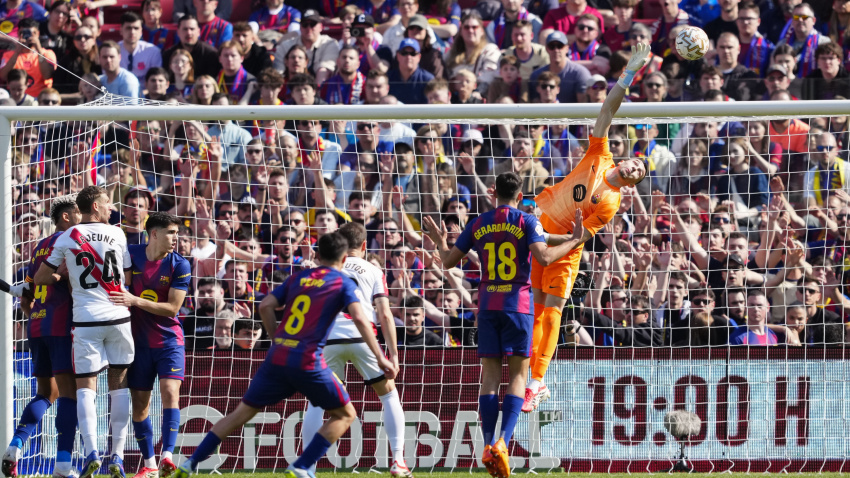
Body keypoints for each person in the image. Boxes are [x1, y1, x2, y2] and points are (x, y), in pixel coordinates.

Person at [173, 232, 396, 478]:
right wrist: (381, 356)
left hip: (277, 356)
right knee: (346, 414)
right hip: (308, 360)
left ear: (317, 255)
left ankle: (190, 462)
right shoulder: (342, 282)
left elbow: (264, 305)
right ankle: (302, 465)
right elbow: (361, 319)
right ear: (344, 259)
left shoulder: (299, 278)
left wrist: (276, 337)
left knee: (240, 414)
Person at [423, 171, 584, 478]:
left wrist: (439, 240)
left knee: (489, 379)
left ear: (493, 191)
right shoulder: (526, 220)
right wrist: (575, 240)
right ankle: (502, 443)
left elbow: (447, 262)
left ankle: (486, 443)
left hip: (487, 307)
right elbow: (545, 256)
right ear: (521, 195)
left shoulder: (479, 222)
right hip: (518, 308)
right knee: (519, 377)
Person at [524, 43, 650, 413]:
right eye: (636, 164)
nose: (635, 169)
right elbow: (607, 109)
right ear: (626, 159)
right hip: (538, 229)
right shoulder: (599, 152)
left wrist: (550, 242)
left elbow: (580, 237)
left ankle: (536, 382)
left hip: (562, 250)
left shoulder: (610, 204)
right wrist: (628, 74)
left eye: (641, 174)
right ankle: (532, 377)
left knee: (551, 313)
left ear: (633, 185)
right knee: (533, 311)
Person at [34, 186, 135, 478]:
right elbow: (126, 275)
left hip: (86, 321)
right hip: (118, 316)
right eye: (106, 203)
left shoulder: (67, 237)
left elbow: (42, 276)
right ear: (94, 207)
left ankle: (91, 452)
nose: (111, 209)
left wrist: (60, 274)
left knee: (85, 389)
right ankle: (116, 456)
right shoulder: (117, 234)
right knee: (119, 384)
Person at [300, 223, 413, 478]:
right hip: (363, 337)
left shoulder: (324, 269)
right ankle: (397, 461)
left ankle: (307, 468)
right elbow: (384, 313)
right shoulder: (374, 270)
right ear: (364, 246)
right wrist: (392, 355)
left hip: (328, 338)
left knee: (317, 405)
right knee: (388, 395)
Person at [1, 196, 81, 478]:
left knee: (47, 393)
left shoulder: (38, 248)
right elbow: (73, 283)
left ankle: (15, 444)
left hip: (37, 327)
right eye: (78, 213)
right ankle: (62, 465)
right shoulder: (72, 241)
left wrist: (34, 310)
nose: (82, 217)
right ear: (67, 217)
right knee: (70, 393)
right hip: (62, 325)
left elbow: (27, 299)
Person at [105, 213, 189, 478]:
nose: (176, 238)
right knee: (140, 405)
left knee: (169, 392)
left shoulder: (180, 264)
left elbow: (173, 308)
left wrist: (136, 301)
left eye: (177, 233)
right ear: (153, 233)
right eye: (171, 232)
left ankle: (167, 456)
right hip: (137, 344)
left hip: (169, 342)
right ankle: (150, 464)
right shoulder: (131, 255)